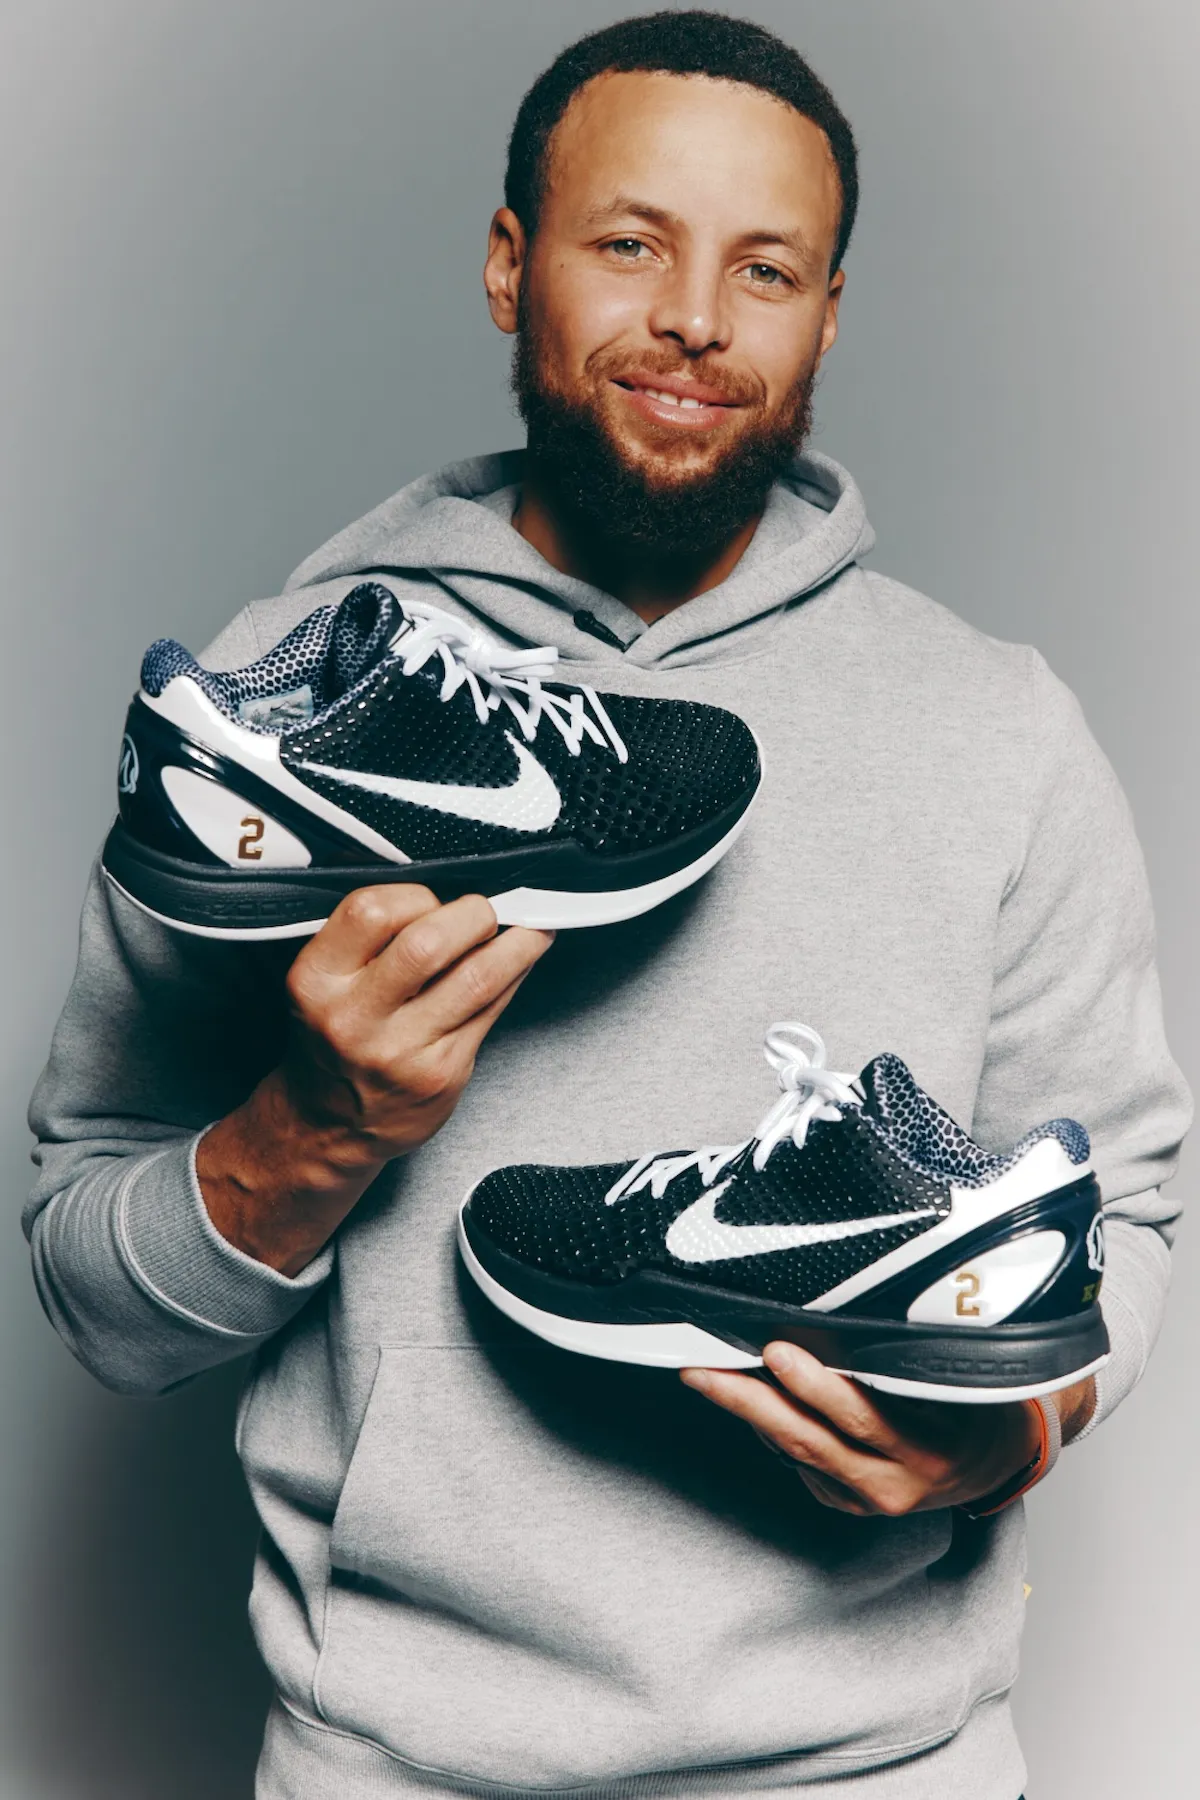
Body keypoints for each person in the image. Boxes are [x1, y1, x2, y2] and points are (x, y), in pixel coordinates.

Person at [25, 13, 1189, 1800]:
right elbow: (95, 1296)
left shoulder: (999, 729)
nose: (698, 319)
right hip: (394, 1766)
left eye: (766, 269)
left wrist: (1012, 1429)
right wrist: (312, 1134)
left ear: (828, 314)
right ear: (512, 266)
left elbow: (1117, 1214)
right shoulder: (283, 722)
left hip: (887, 1771)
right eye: (631, 242)